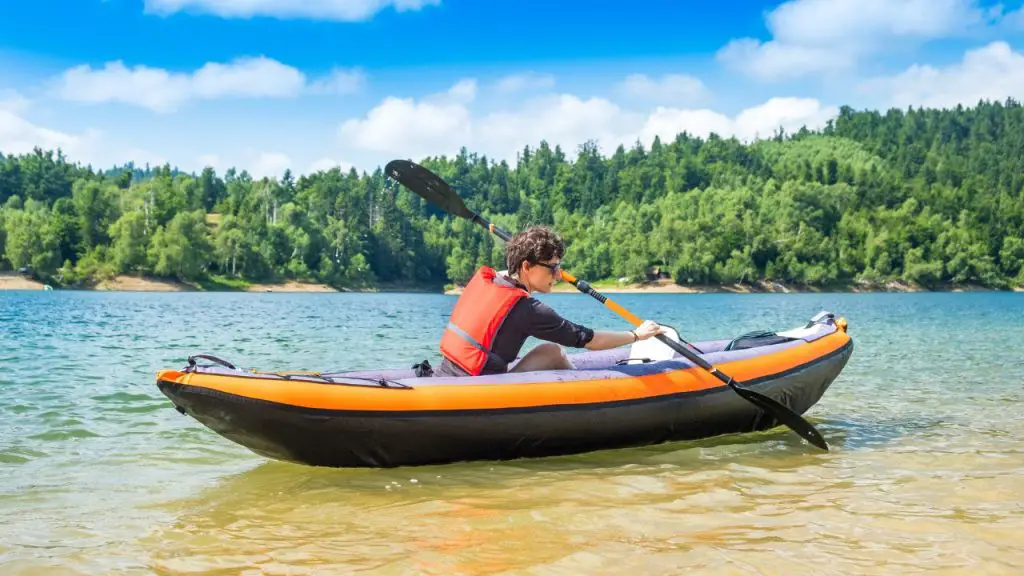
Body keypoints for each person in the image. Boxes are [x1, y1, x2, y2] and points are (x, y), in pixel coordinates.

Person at [436, 225, 667, 377]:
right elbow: (589, 340)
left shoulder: (493, 281)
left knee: (548, 350)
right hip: (478, 388)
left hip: (450, 373)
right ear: (526, 266)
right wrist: (636, 335)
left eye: (559, 267)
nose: (558, 275)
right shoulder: (530, 310)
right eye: (553, 267)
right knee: (554, 353)